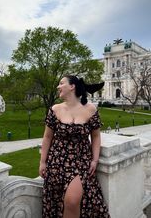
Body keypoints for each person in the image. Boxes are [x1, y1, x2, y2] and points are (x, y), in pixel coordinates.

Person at [39, 75, 110, 218]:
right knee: (58, 201)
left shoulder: (91, 109)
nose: (58, 87)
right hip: (56, 163)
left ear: (72, 87)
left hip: (80, 162)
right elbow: (47, 137)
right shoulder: (55, 109)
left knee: (71, 201)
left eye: (61, 83)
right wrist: (42, 161)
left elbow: (96, 136)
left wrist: (94, 160)